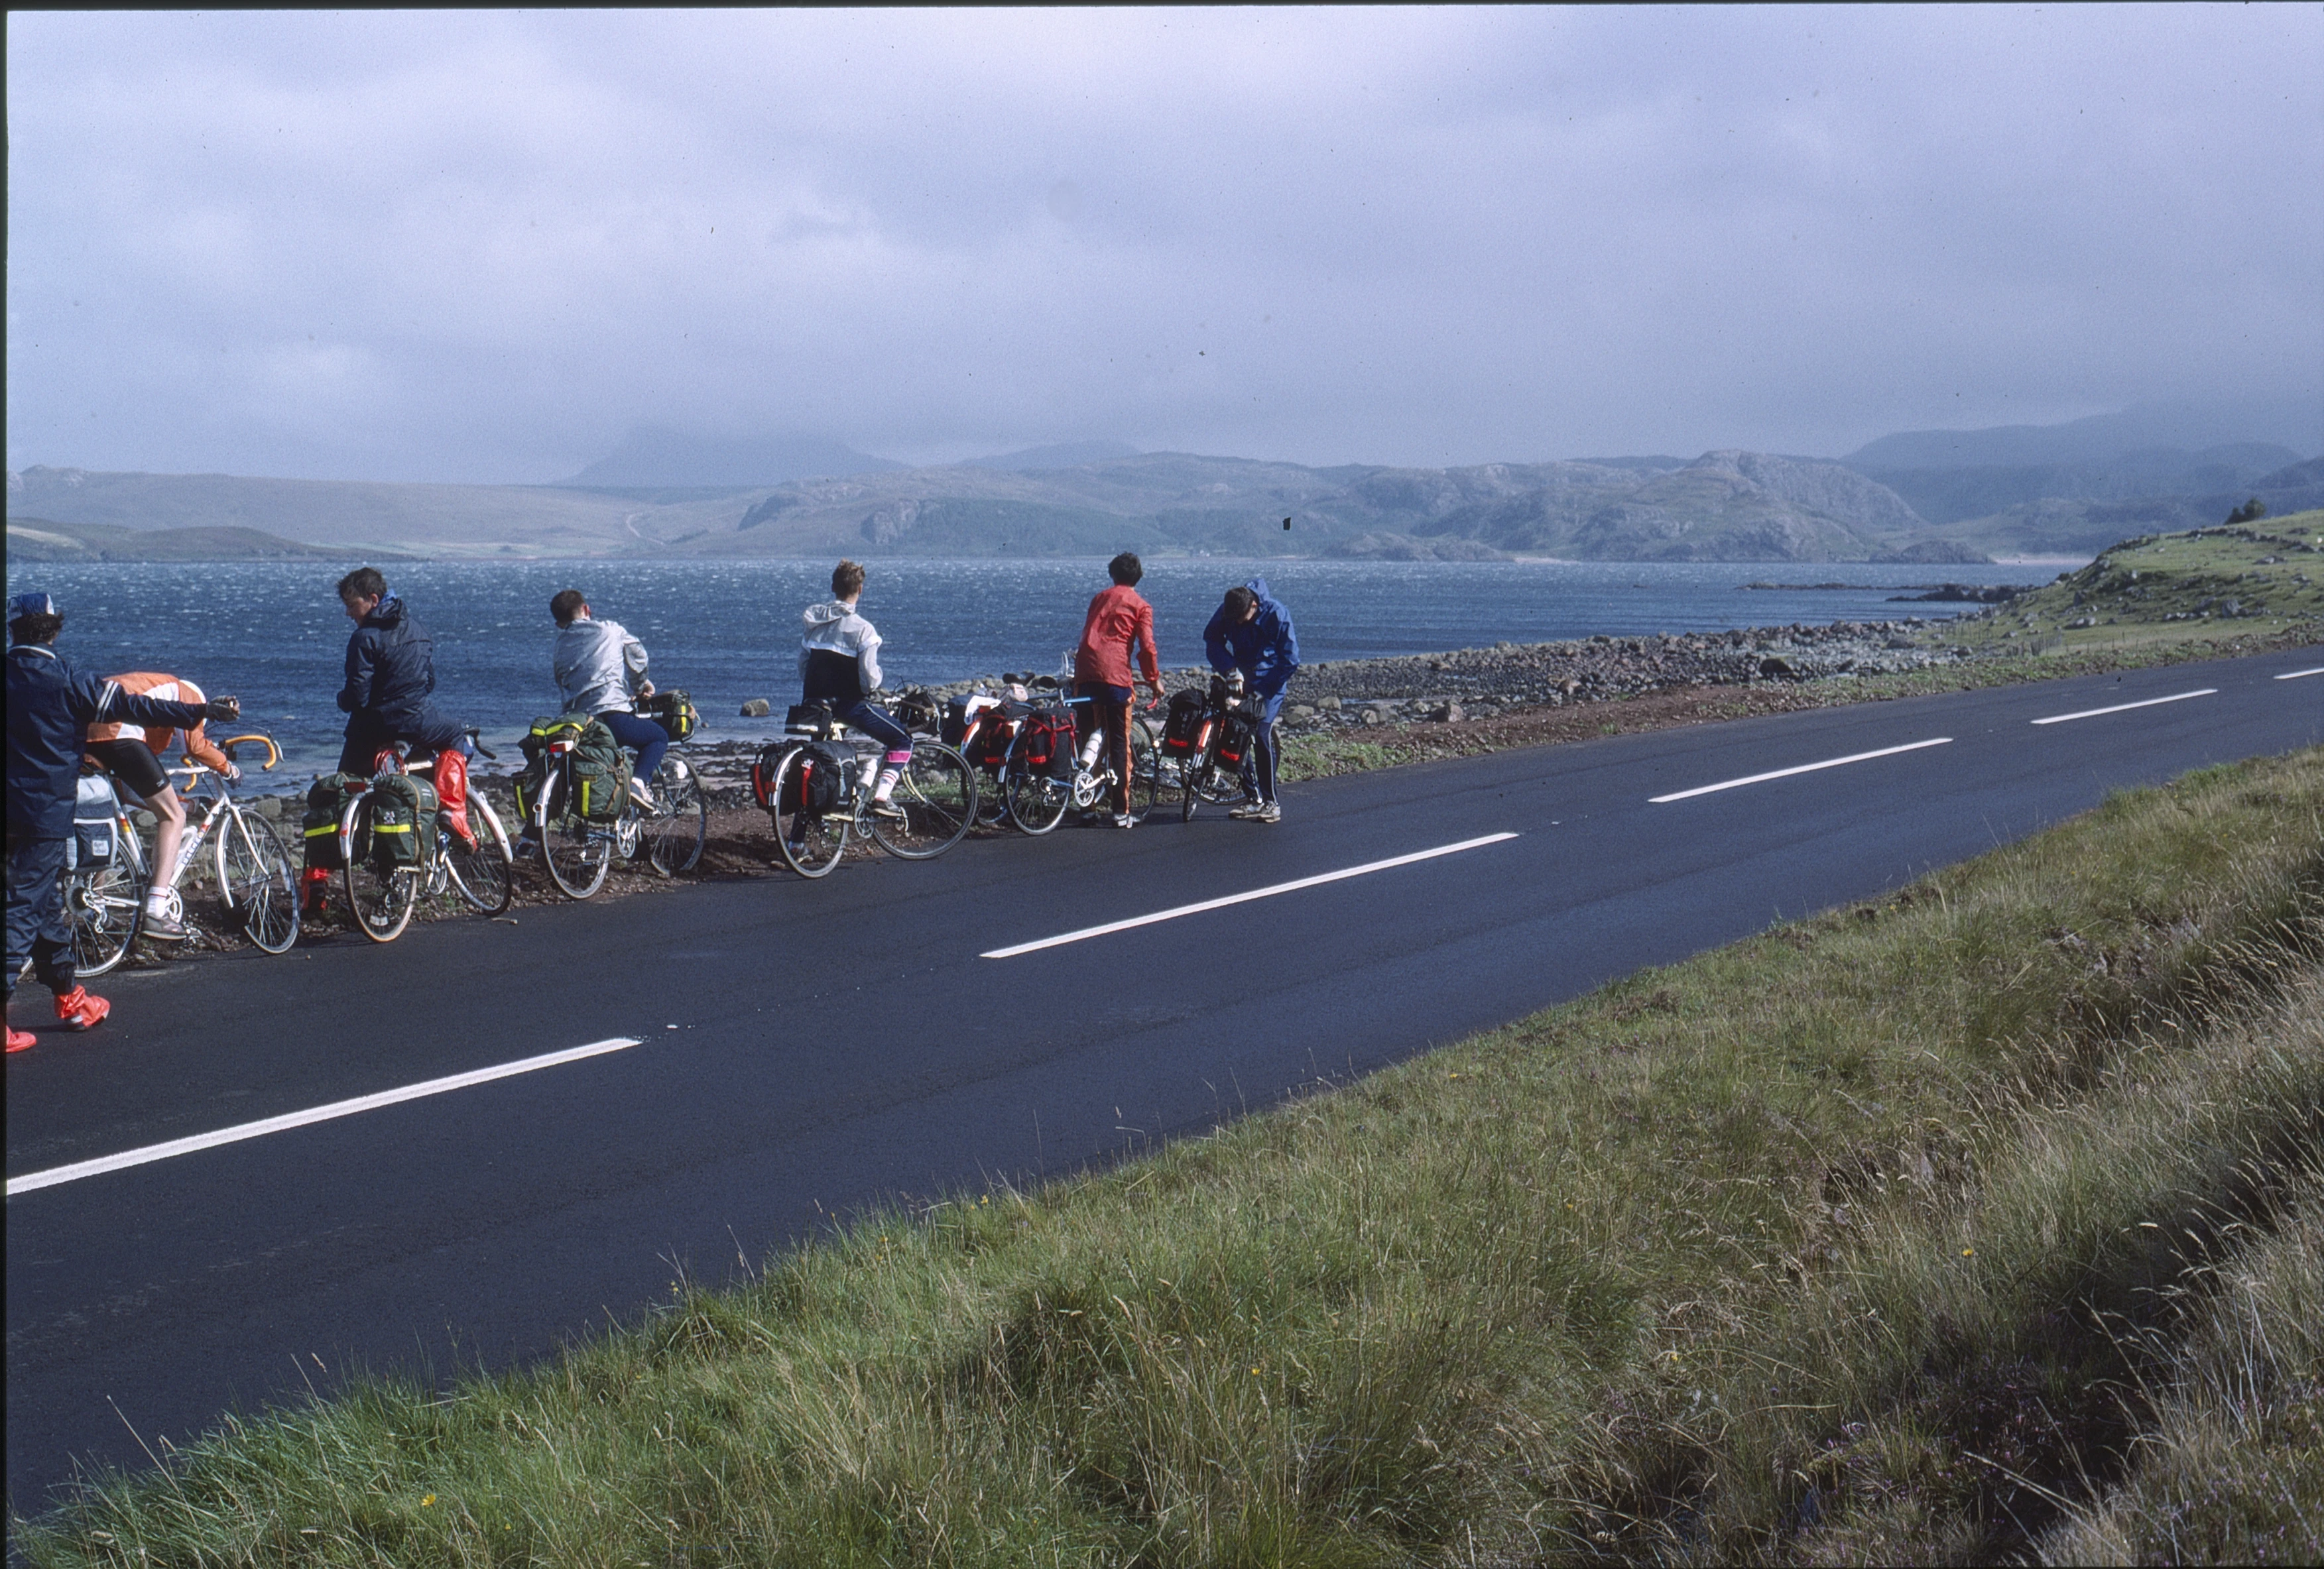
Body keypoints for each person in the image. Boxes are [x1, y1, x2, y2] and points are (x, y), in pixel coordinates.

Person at [7, 593, 237, 1053]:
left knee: (45, 905)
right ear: (54, 630)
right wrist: (200, 712)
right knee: (21, 909)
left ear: (13, 630)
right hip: (44, 813)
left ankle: (71, 1000)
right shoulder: (70, 679)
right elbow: (140, 709)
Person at [82, 671, 242, 941]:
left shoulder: (150, 685)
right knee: (173, 819)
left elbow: (134, 790)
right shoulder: (188, 694)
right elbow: (195, 746)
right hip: (120, 731)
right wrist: (229, 769)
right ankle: (156, 911)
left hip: (87, 732)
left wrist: (187, 804)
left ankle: (93, 906)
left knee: (110, 819)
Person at [799, 559, 910, 820]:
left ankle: (796, 838)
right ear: (860, 589)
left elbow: (803, 668)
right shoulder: (864, 630)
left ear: (833, 587)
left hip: (815, 707)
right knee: (902, 739)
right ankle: (882, 798)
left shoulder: (814, 625)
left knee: (815, 767)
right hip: (848, 707)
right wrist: (877, 682)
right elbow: (869, 679)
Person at [1072, 552, 1163, 828]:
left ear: (1113, 574)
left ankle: (1086, 806)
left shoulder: (1099, 598)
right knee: (1119, 744)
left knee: (1087, 738)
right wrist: (1153, 680)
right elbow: (1147, 648)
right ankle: (1121, 812)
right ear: (1138, 576)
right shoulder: (1141, 606)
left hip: (1084, 672)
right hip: (1114, 677)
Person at [550, 590, 664, 810]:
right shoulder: (611, 630)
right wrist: (640, 687)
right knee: (658, 737)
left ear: (558, 624)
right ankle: (638, 784)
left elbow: (562, 682)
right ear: (587, 609)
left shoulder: (559, 647)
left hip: (580, 724)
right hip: (613, 717)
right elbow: (639, 656)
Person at [1201, 577, 1300, 823]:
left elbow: (1290, 660)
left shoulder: (1277, 613)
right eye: (1233, 619)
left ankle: (1271, 803)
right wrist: (1229, 669)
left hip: (1270, 683)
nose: (1237, 623)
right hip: (1241, 678)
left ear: (1254, 606)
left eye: (1241, 619)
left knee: (1261, 734)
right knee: (1236, 732)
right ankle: (1253, 798)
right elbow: (1212, 640)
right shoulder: (1231, 608)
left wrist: (1264, 691)